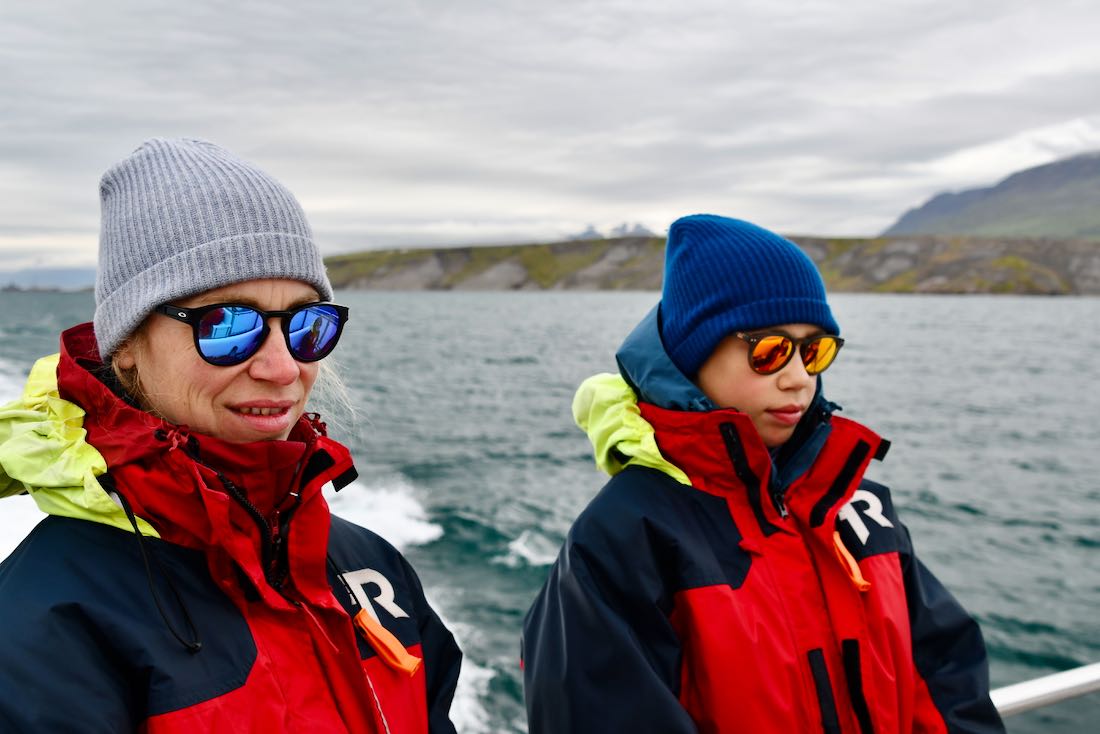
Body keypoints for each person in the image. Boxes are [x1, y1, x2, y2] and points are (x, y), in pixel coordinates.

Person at [0, 138, 461, 733]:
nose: (283, 368)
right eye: (226, 324)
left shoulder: (369, 567)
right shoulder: (50, 619)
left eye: (305, 324)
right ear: (130, 347)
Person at [521, 214, 1004, 733]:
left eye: (814, 350)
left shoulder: (856, 507)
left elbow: (947, 680)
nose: (798, 379)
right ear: (693, 356)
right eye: (769, 352)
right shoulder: (624, 538)